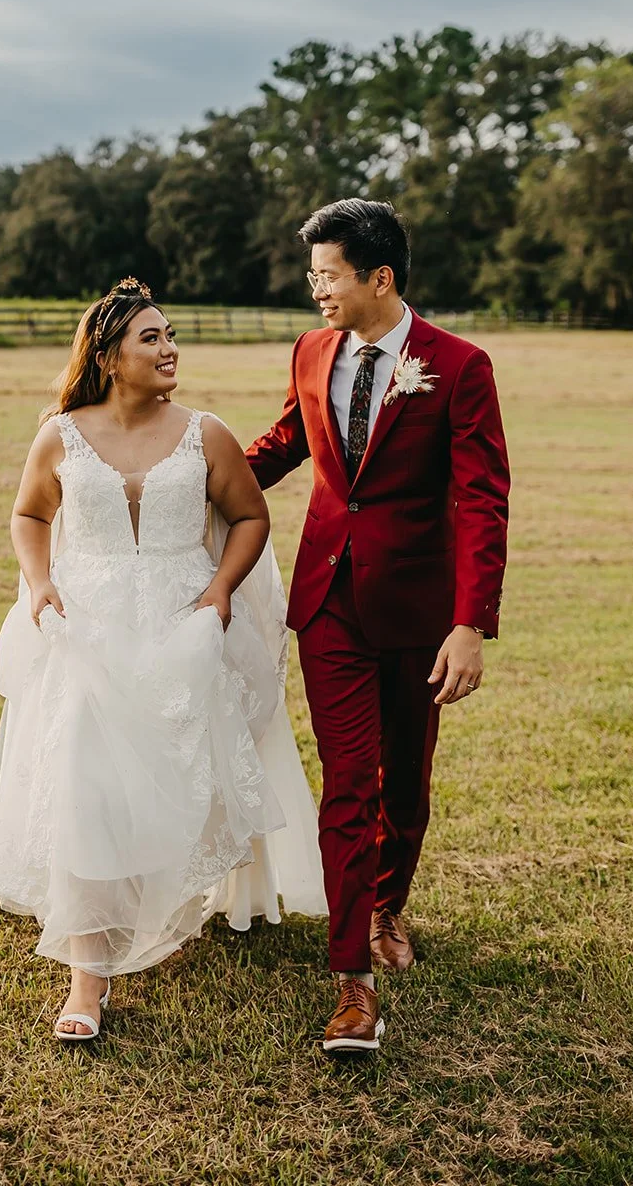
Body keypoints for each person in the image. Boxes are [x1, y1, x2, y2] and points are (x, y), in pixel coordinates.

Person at [0, 278, 326, 1042]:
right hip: (84, 625)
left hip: (180, 618)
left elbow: (250, 516)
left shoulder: (206, 432)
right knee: (81, 780)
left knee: (180, 771)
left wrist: (220, 593)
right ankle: (86, 983)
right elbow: (29, 513)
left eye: (169, 335)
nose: (169, 350)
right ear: (108, 355)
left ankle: (173, 892)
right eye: (150, 339)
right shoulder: (60, 432)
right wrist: (39, 584)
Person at [245, 200, 510, 1055]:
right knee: (348, 783)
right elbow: (288, 441)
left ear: (378, 278)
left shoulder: (458, 367)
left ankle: (388, 903)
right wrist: (181, 475)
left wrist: (468, 622)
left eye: (326, 274)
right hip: (328, 602)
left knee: (404, 788)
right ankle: (351, 980)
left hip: (415, 609)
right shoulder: (310, 349)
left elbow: (480, 499)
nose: (313, 289)